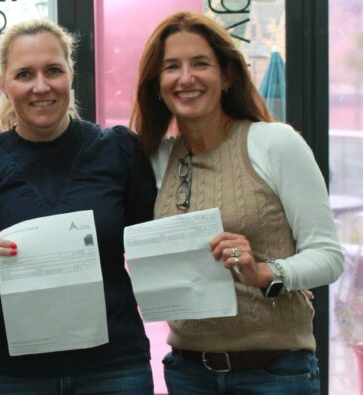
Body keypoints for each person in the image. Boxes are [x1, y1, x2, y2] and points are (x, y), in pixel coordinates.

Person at [130, 11, 344, 395]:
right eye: (171, 67)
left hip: (276, 373)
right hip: (188, 371)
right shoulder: (155, 159)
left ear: (227, 75)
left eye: (200, 64)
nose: (186, 78)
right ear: (157, 84)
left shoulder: (275, 143)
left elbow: (328, 256)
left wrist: (265, 273)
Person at [0, 19, 156, 395]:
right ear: (3, 84)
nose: (40, 86)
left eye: (53, 70)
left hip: (113, 368)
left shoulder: (118, 151)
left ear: (71, 73)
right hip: (11, 376)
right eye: (24, 74)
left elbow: (151, 247)